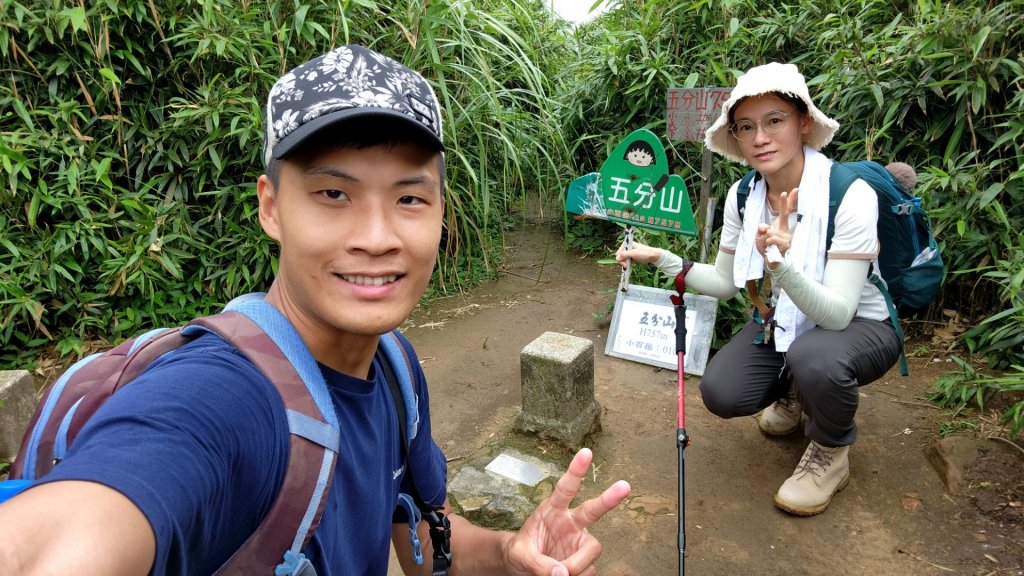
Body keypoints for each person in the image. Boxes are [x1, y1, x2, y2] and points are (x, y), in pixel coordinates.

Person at [0, 44, 631, 575]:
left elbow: (414, 536)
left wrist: (506, 549)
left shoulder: (394, 369)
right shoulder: (222, 400)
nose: (379, 236)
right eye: (334, 193)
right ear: (270, 207)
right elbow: (66, 535)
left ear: (442, 211)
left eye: (410, 199)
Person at [617, 62, 902, 516]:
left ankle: (830, 451)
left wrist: (780, 264)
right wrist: (664, 260)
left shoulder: (850, 194)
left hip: (862, 327)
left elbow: (838, 315)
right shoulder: (744, 195)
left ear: (804, 122)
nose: (760, 137)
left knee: (816, 357)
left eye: (774, 120)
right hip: (785, 320)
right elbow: (727, 284)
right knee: (722, 391)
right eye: (746, 126)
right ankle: (794, 392)